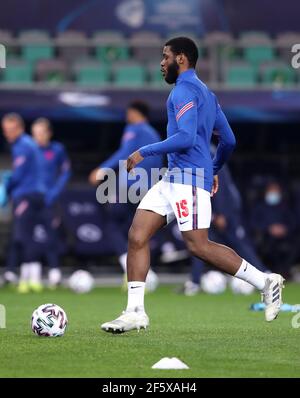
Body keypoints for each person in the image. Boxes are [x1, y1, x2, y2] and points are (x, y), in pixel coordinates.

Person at [101, 37, 284, 333]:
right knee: (137, 235)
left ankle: (265, 281)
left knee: (198, 245)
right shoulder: (208, 94)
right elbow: (229, 140)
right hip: (173, 179)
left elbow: (185, 138)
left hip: (187, 182)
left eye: (165, 57)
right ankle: (135, 312)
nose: (161, 63)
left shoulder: (182, 91)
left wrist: (143, 151)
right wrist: (213, 169)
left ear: (181, 59)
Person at [89, 101, 163, 289]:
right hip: (147, 189)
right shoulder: (153, 133)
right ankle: (144, 274)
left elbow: (124, 153)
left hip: (130, 187)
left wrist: (102, 169)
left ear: (135, 113)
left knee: (113, 224)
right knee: (137, 232)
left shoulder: (135, 129)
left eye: (128, 112)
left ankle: (128, 267)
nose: (126, 116)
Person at [184, 163, 268, 296]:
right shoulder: (202, 152)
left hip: (226, 211)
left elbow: (221, 186)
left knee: (239, 244)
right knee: (199, 244)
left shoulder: (209, 155)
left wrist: (221, 212)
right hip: (211, 209)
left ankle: (264, 275)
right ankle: (194, 282)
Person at [1, 113, 46, 293]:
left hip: (26, 194)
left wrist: (7, 187)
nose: (7, 134)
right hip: (36, 194)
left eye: (11, 130)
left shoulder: (22, 145)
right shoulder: (29, 143)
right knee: (30, 235)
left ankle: (26, 281)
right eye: (5, 131)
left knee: (23, 236)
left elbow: (18, 175)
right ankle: (33, 278)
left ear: (19, 128)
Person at [31, 118, 71, 287]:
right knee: (29, 236)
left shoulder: (57, 149)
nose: (37, 137)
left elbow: (66, 172)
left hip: (50, 201)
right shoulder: (29, 150)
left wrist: (55, 191)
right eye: (34, 134)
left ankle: (55, 272)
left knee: (51, 235)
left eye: (40, 133)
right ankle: (33, 275)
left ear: (48, 133)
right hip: (32, 199)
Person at [251, 180, 296, 278]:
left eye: (276, 190)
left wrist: (284, 229)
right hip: (266, 237)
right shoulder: (259, 207)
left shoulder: (284, 206)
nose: (274, 193)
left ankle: (286, 272)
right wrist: (268, 229)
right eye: (271, 190)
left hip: (284, 237)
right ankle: (269, 272)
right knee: (268, 246)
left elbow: (293, 223)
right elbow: (253, 224)